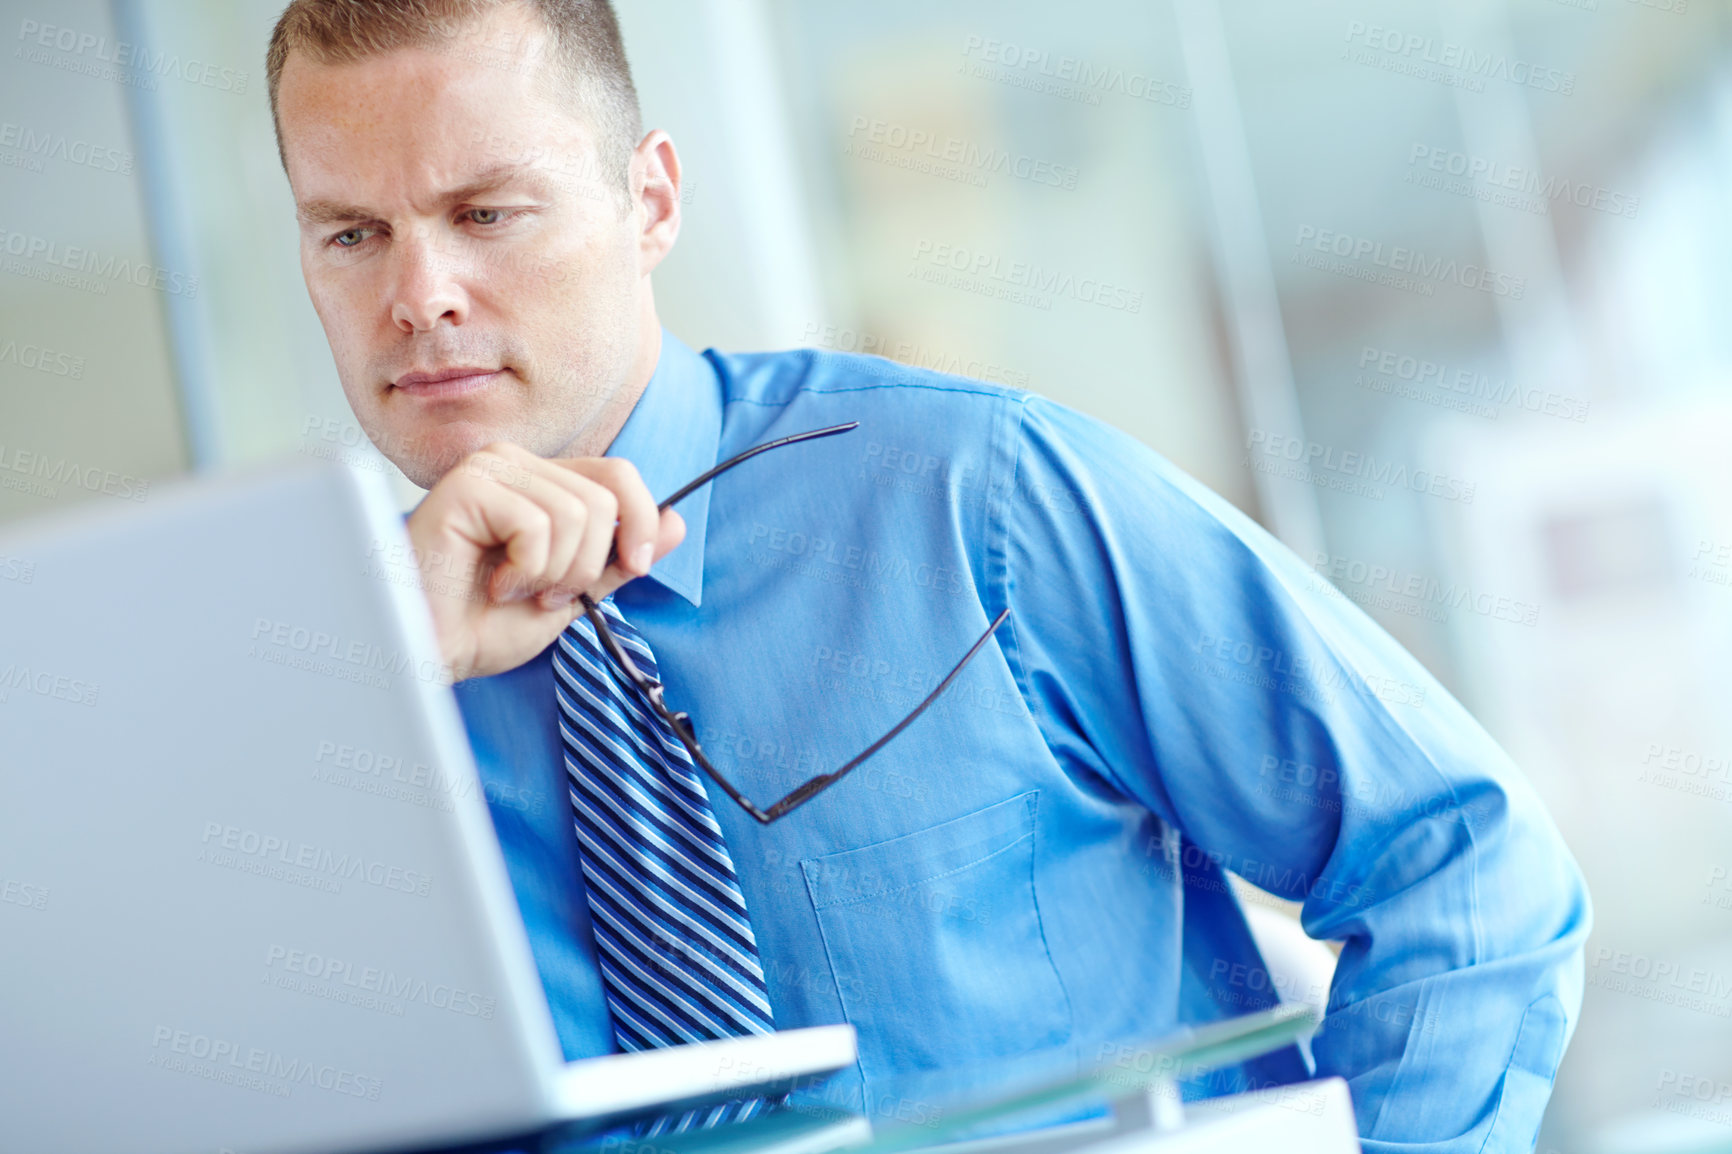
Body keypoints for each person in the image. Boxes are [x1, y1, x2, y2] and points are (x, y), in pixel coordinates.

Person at [266, 1, 1589, 1150]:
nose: (420, 292)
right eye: (350, 236)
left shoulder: (974, 496)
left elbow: (1460, 860)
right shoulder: (321, 690)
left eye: (485, 212)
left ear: (650, 199)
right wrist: (368, 686)